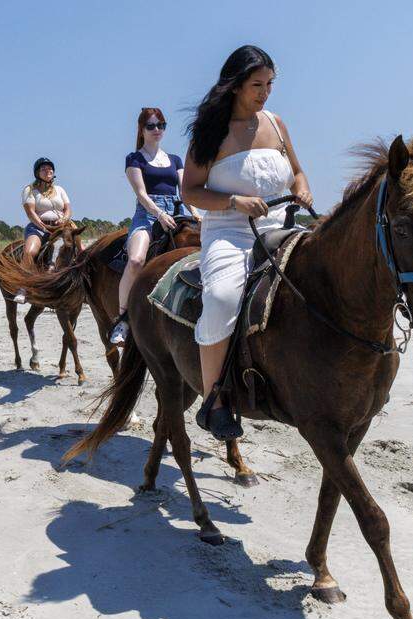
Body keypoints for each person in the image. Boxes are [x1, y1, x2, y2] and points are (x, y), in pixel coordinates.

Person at [180, 45, 314, 440]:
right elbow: (190, 191)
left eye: (270, 84)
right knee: (222, 297)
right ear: (236, 85)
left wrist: (302, 189)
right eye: (258, 85)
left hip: (281, 226)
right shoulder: (210, 133)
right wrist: (233, 202)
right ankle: (214, 400)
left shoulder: (276, 123)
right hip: (230, 232)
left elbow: (298, 172)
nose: (265, 92)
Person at [109, 107, 198, 345]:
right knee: (136, 260)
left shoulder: (175, 159)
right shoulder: (134, 159)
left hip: (178, 211)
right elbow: (141, 194)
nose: (157, 129)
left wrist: (196, 213)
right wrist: (159, 214)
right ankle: (122, 319)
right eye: (151, 125)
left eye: (161, 125)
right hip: (148, 214)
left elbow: (185, 192)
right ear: (142, 129)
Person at [16, 157, 72, 303]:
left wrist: (64, 219)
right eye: (44, 169)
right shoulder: (30, 190)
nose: (48, 170)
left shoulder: (60, 189)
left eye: (50, 168)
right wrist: (43, 226)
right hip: (38, 227)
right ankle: (23, 288)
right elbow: (30, 212)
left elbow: (68, 209)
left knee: (80, 248)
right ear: (37, 173)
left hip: (60, 227)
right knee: (30, 252)